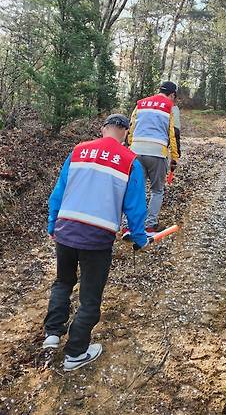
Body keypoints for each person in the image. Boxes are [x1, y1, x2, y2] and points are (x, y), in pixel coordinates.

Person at [43, 114, 149, 371]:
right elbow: (134, 207)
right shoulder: (129, 161)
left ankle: (52, 334)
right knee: (90, 297)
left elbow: (59, 190)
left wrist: (52, 223)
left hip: (66, 230)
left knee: (63, 281)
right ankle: (76, 353)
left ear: (103, 129)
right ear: (125, 133)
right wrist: (139, 237)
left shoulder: (78, 151)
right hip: (97, 239)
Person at [124, 81, 180, 237]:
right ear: (172, 94)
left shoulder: (141, 104)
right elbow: (173, 134)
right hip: (157, 152)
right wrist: (174, 157)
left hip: (136, 151)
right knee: (157, 190)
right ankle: (149, 226)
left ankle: (128, 226)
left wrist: (130, 147)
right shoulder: (170, 107)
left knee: (136, 189)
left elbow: (131, 127)